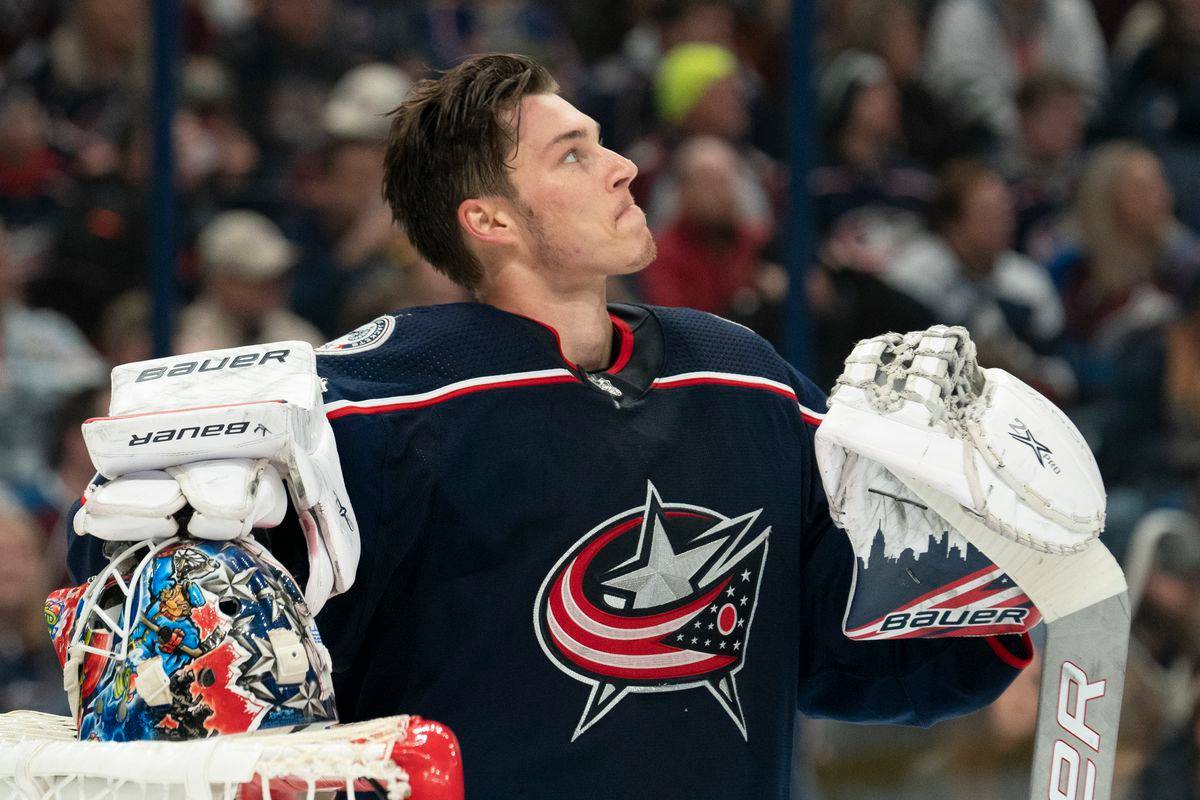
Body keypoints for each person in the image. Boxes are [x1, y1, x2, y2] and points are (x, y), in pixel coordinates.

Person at [69, 54, 1032, 799]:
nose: (623, 167)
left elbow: (855, 645)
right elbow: (149, 588)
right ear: (489, 220)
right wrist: (161, 566)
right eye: (573, 154)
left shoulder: (745, 379)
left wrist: (986, 567)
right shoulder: (375, 409)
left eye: (601, 142)